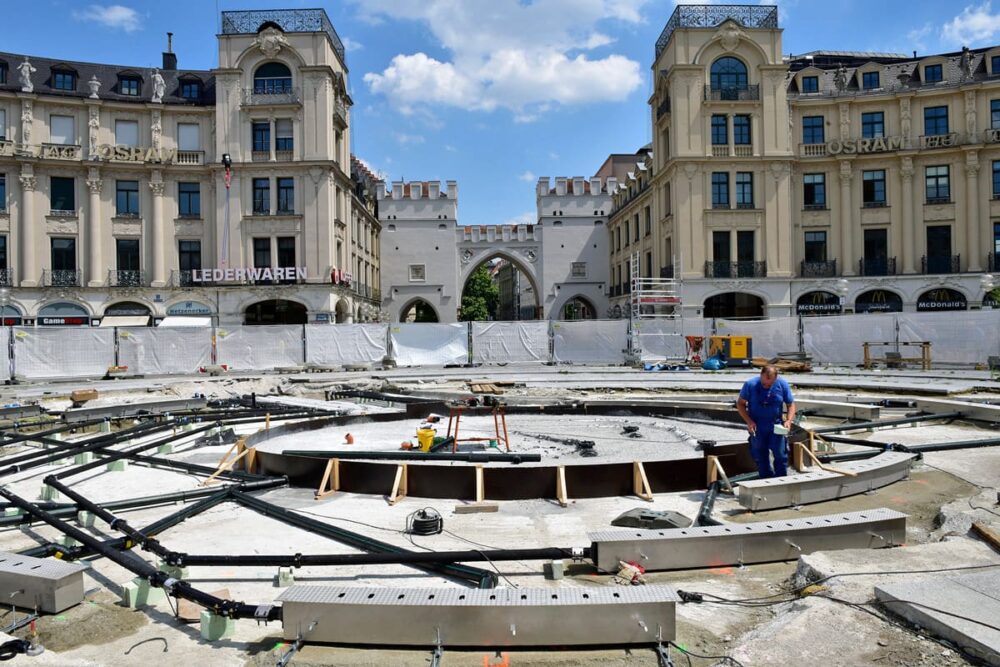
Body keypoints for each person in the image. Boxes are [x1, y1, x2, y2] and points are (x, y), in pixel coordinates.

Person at [736, 365, 796, 478]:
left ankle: (781, 480)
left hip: (776, 426)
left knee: (780, 455)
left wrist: (789, 420)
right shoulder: (750, 385)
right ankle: (766, 479)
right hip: (757, 427)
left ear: (776, 379)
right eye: (764, 384)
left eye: (770, 384)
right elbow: (740, 404)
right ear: (760, 376)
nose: (767, 386)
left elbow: (790, 404)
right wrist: (749, 421)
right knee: (760, 455)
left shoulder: (782, 385)